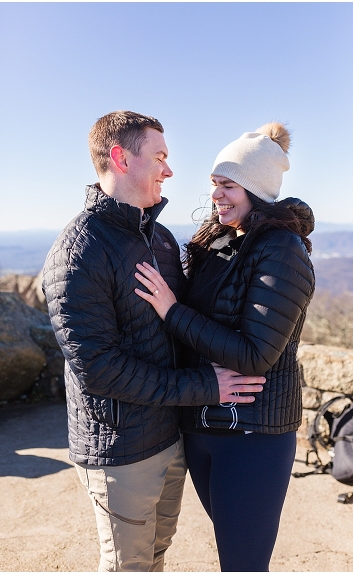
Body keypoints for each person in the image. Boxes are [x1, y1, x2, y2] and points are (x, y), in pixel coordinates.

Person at [42, 110, 267, 572]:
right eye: (160, 156)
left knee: (156, 556)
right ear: (122, 159)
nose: (169, 169)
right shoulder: (78, 250)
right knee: (129, 565)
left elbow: (185, 322)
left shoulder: (160, 238)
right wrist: (207, 387)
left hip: (170, 437)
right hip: (119, 451)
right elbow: (100, 368)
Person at [134, 122, 315, 571]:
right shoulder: (215, 244)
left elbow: (257, 355)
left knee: (243, 563)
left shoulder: (282, 250)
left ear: (257, 189)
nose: (217, 195)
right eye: (215, 184)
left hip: (253, 437)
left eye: (228, 185)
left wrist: (172, 311)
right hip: (203, 429)